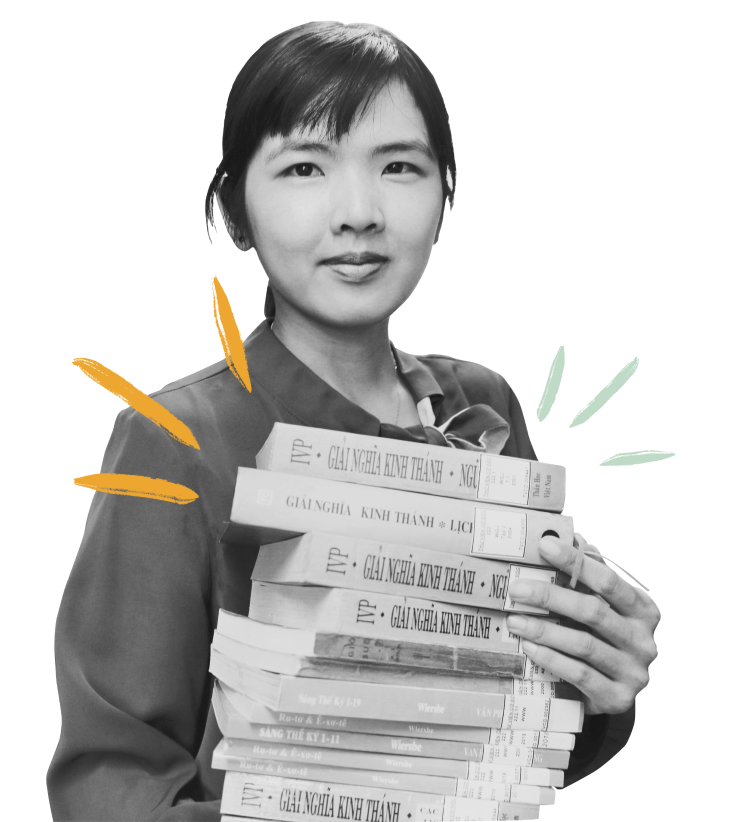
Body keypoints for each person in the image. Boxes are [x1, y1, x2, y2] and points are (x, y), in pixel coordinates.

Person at [48, 20, 658, 821]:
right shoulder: (177, 437)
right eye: (304, 166)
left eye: (398, 166)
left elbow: (502, 746)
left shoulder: (486, 405)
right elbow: (108, 786)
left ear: (446, 189)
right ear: (231, 210)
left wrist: (592, 681)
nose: (359, 213)